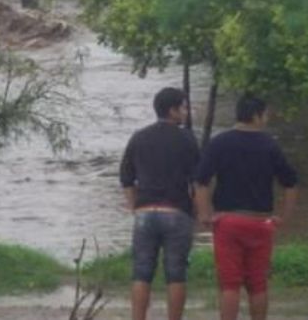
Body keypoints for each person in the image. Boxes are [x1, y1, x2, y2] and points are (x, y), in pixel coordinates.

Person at [194, 95, 298, 320]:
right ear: (256, 116)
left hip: (228, 222)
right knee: (258, 285)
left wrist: (204, 214)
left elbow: (201, 181)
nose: (267, 118)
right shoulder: (270, 145)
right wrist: (284, 217)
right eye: (265, 114)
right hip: (260, 222)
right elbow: (290, 183)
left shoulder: (220, 142)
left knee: (230, 285)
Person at [120, 87, 199, 320]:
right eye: (183, 107)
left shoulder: (139, 136)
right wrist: (197, 209)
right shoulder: (186, 138)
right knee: (176, 273)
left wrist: (135, 206)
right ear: (173, 110)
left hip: (145, 212)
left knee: (142, 272)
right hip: (175, 212)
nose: (185, 112)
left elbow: (126, 177)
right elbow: (197, 179)